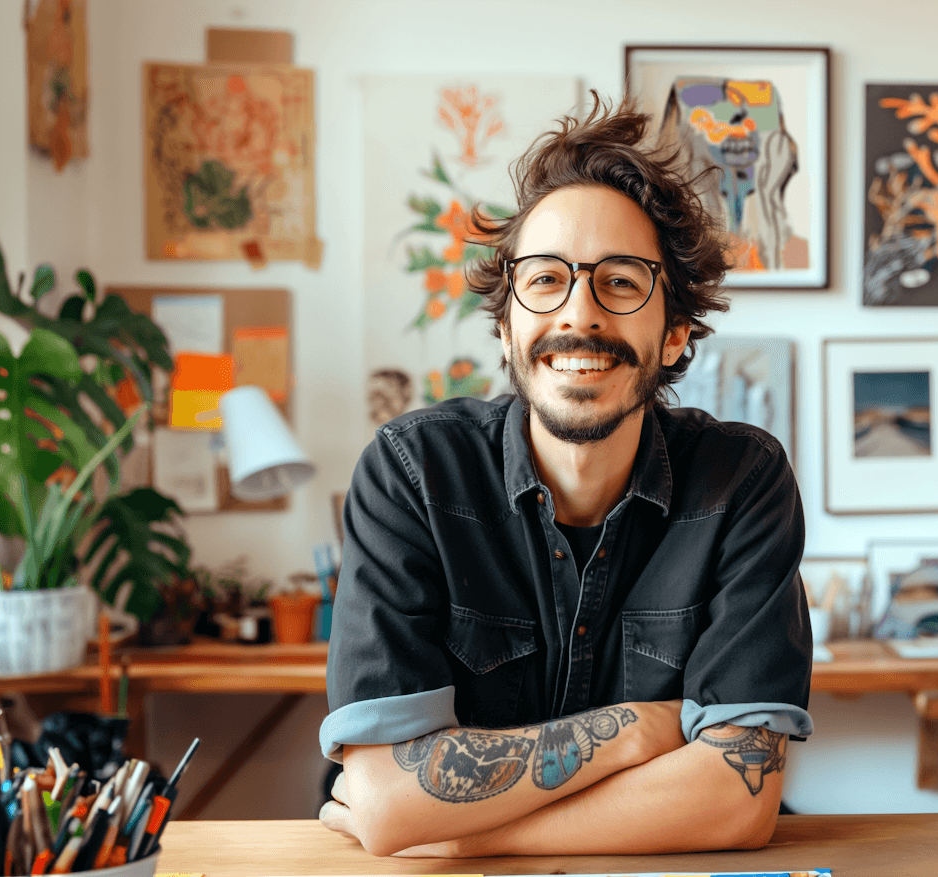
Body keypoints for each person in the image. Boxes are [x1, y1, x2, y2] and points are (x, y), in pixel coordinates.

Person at [318, 94, 812, 858]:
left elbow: (733, 804)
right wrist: (637, 733)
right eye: (545, 280)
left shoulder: (741, 480)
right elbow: (385, 796)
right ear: (507, 322)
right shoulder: (412, 472)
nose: (579, 315)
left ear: (674, 331)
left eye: (620, 282)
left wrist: (454, 836)